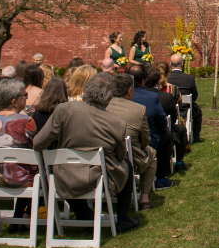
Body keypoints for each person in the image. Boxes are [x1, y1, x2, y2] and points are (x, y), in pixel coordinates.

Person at [32, 75, 139, 233]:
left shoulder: (64, 109)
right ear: (109, 98)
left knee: (69, 168)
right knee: (127, 165)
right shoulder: (117, 123)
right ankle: (123, 218)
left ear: (86, 91)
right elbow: (120, 155)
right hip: (96, 178)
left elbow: (38, 143)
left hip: (63, 177)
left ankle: (85, 214)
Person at [0, 78, 38, 229]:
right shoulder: (27, 120)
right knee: (46, 173)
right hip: (24, 179)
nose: (26, 98)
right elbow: (38, 146)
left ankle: (17, 220)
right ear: (14, 101)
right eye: (24, 95)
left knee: (25, 168)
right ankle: (25, 218)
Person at [105, 73, 158, 211]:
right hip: (131, 158)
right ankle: (144, 197)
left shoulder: (103, 107)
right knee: (151, 153)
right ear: (129, 91)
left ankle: (111, 192)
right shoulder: (139, 110)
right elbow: (146, 139)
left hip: (105, 158)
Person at [129, 64, 174, 190]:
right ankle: (160, 179)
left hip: (123, 146)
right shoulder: (151, 97)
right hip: (146, 143)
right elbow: (162, 123)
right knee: (166, 136)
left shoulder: (117, 99)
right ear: (142, 80)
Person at [168, 53, 203, 143]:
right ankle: (196, 136)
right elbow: (194, 95)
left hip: (170, 109)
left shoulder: (167, 79)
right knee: (198, 112)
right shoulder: (189, 78)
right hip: (185, 108)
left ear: (170, 64)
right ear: (182, 64)